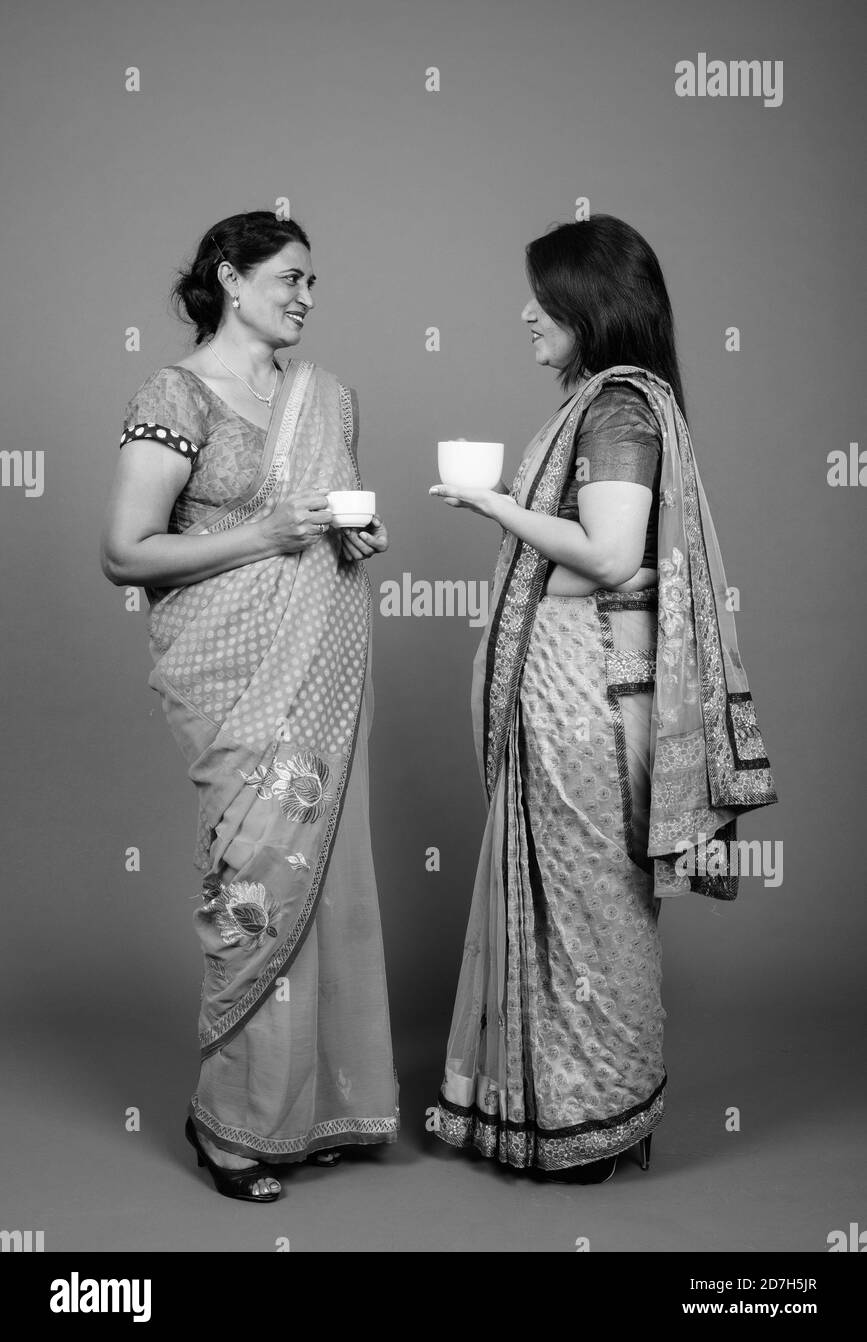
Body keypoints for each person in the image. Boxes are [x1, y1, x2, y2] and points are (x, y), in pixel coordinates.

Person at [429, 215, 777, 1182]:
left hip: (584, 697)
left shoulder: (616, 409)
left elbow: (613, 555)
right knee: (581, 905)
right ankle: (592, 1116)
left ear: (589, 305)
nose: (526, 315)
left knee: (586, 908)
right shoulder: (602, 402)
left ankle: (595, 1121)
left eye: (542, 300)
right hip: (580, 688)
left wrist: (495, 506)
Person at [101, 209, 399, 1201]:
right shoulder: (176, 392)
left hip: (318, 665)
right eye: (292, 278)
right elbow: (126, 552)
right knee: (258, 884)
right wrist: (266, 535)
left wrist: (344, 540)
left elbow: (321, 523)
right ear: (231, 278)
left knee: (318, 883)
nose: (309, 298)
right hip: (230, 678)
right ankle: (229, 1123)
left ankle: (303, 1113)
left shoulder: (330, 399)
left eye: (316, 282)